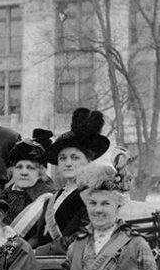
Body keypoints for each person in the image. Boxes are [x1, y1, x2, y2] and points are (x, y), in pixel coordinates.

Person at [33, 107, 110, 255]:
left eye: (75, 157)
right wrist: (20, 250)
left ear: (88, 160)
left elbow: (84, 237)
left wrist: (38, 252)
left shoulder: (94, 195)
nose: (68, 163)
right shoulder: (52, 198)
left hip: (71, 268)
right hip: (41, 265)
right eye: (63, 158)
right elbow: (39, 237)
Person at [1, 130, 57, 234]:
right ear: (12, 169)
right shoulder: (1, 197)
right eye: (19, 167)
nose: (24, 172)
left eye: (30, 168)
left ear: (40, 172)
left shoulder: (48, 199)